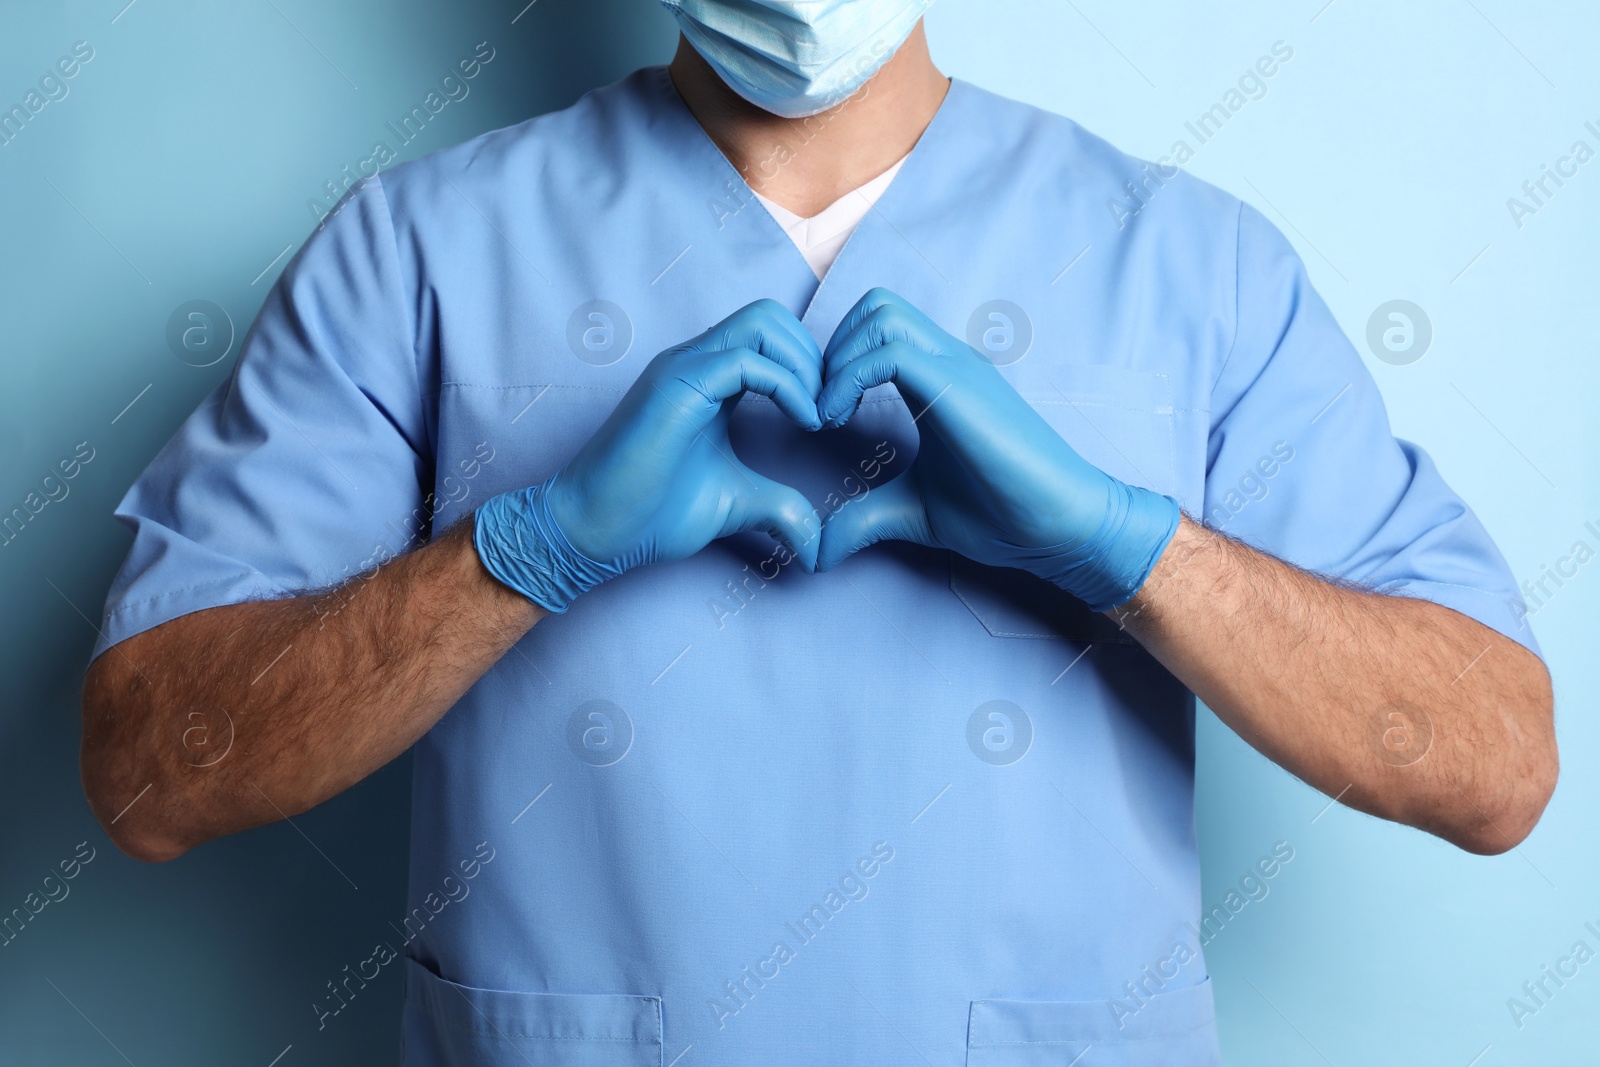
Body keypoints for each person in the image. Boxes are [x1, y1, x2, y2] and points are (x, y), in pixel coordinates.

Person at [81, 3, 1555, 1063]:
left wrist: (1126, 546)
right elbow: (148, 775)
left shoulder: (1189, 264)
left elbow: (1493, 763)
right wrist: (520, 551)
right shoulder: (421, 251)